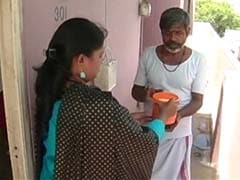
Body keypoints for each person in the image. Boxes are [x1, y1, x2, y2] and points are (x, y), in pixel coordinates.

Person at [34, 18, 178, 180]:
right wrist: (162, 119)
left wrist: (119, 122)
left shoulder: (56, 91)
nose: (102, 61)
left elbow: (75, 134)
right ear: (81, 60)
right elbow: (143, 144)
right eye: (100, 56)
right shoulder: (95, 105)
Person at [132, 7, 207, 180]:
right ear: (161, 32)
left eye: (178, 33)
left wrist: (177, 115)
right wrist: (147, 94)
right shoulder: (148, 55)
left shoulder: (198, 60)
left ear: (188, 31)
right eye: (167, 33)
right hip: (151, 131)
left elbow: (197, 100)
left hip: (178, 135)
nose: (172, 39)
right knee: (147, 175)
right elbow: (135, 91)